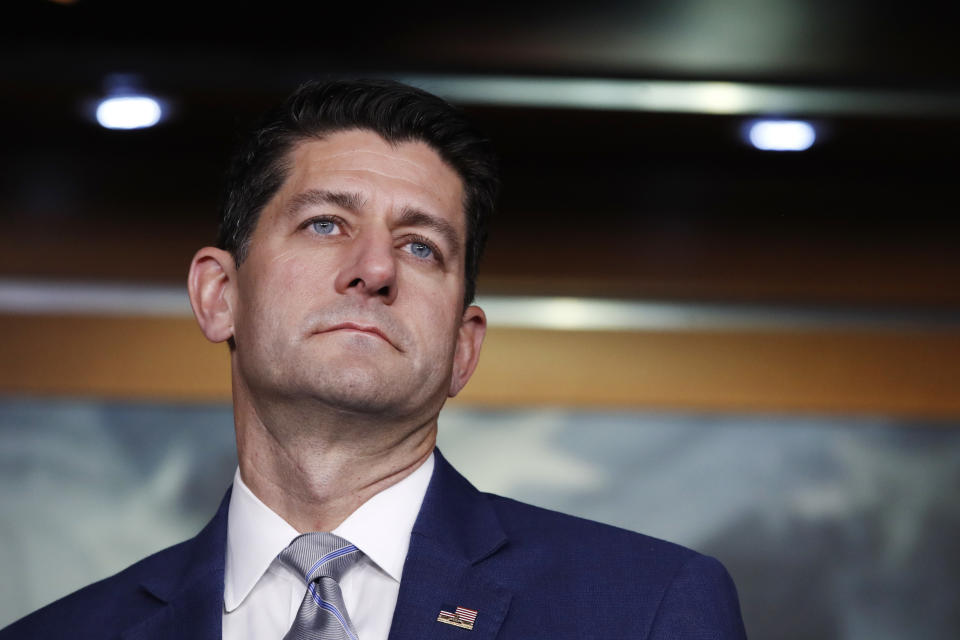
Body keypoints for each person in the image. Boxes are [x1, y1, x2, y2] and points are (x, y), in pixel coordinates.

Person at [0, 79, 747, 639]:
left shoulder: (649, 608)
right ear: (219, 294)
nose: (374, 269)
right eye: (326, 223)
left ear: (463, 347)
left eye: (421, 246)